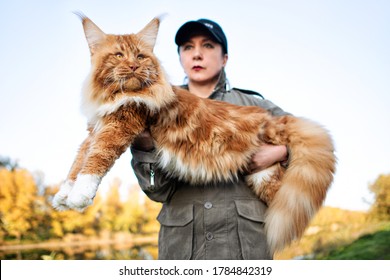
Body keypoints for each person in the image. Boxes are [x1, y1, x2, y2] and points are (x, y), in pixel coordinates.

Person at [130, 19, 289, 259]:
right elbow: (157, 191)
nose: (196, 54)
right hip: (183, 252)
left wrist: (280, 153)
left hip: (246, 251)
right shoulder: (157, 107)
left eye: (207, 45)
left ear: (224, 58)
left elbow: (313, 147)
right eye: (187, 47)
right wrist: (145, 148)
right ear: (180, 58)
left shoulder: (256, 105)